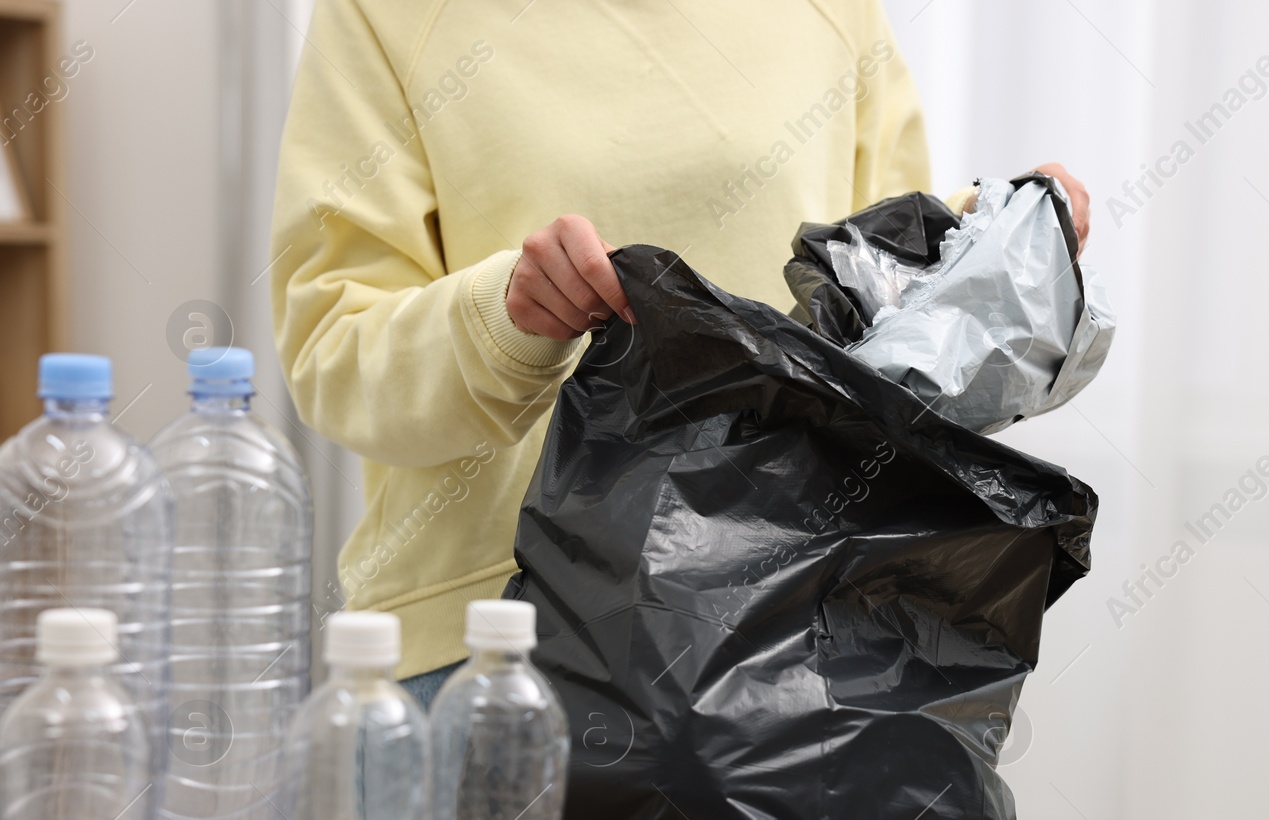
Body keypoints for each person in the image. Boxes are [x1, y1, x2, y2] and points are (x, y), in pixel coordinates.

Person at [270, 0, 1089, 707]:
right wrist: (507, 318)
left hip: (785, 644)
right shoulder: (387, 16)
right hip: (486, 655)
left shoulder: (831, 15)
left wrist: (996, 245)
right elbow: (334, 353)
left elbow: (873, 323)